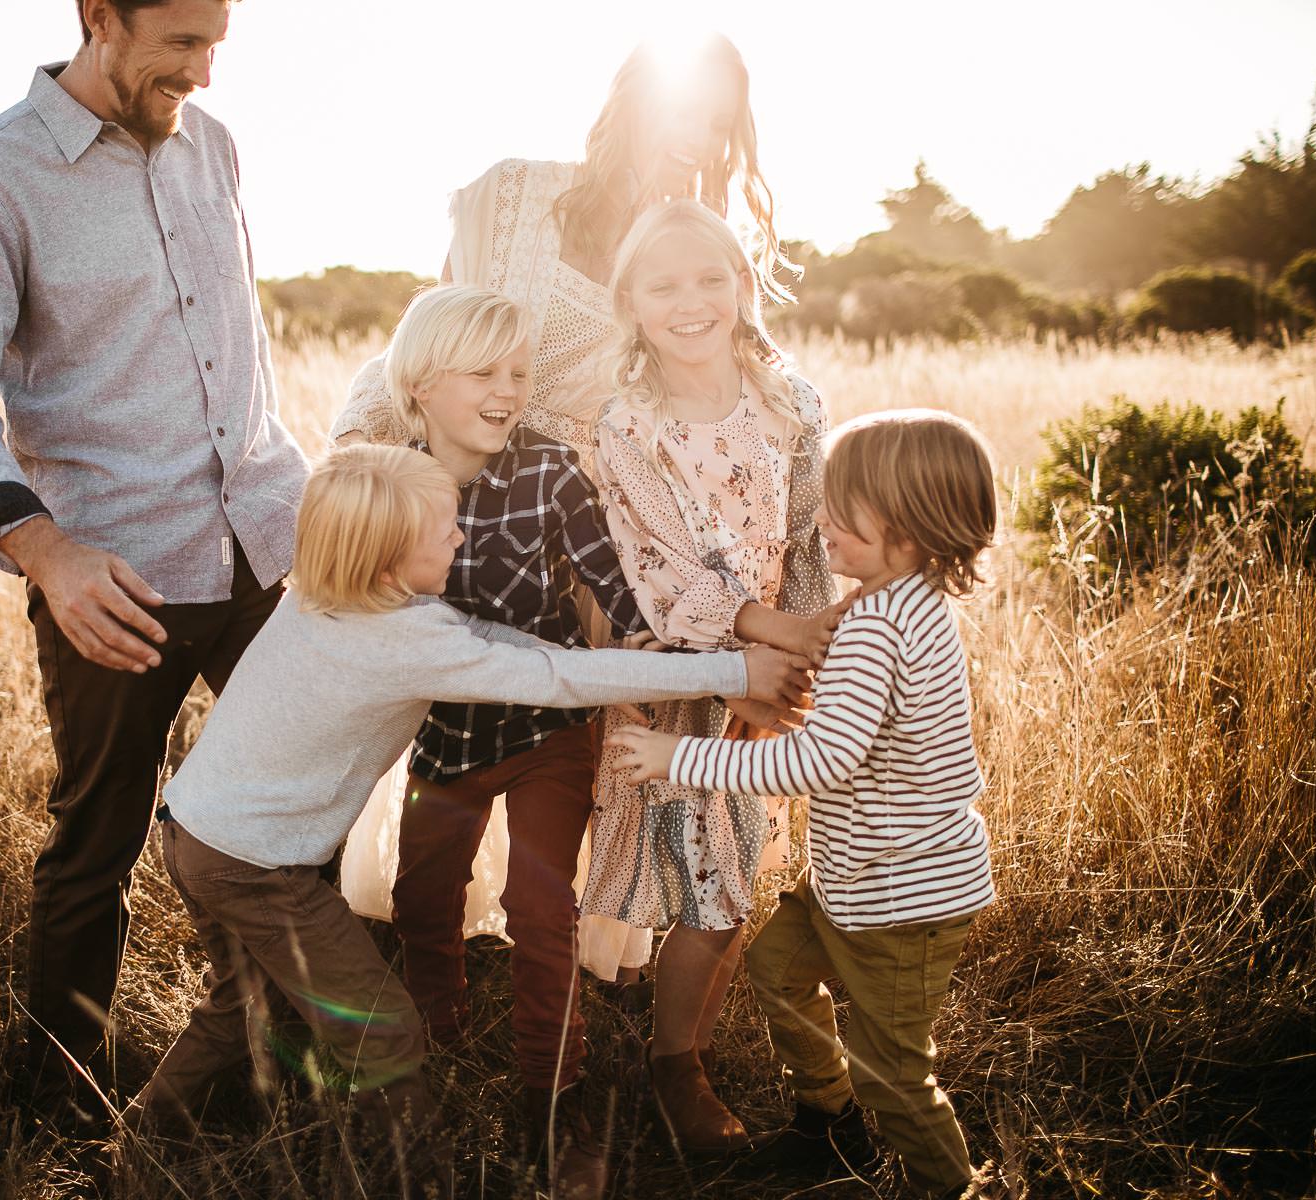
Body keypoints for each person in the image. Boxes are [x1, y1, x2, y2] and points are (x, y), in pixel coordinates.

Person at [122, 444, 813, 1193]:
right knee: (385, 1029)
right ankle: (415, 1177)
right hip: (256, 868)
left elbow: (489, 644)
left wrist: (593, 655)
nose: (461, 537)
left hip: (196, 832)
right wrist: (731, 670)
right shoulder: (400, 641)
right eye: (445, 530)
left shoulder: (329, 597)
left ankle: (138, 1136)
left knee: (240, 1004)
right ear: (389, 564)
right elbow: (548, 677)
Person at [333, 33, 834, 988]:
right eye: (686, 111)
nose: (699, 141)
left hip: (609, 525)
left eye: (720, 126)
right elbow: (443, 326)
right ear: (631, 103)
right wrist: (366, 468)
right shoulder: (516, 196)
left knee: (593, 755)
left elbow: (748, 377)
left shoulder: (688, 244)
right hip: (478, 505)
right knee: (450, 726)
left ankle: (577, 959)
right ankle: (426, 942)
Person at [0, 0, 308, 1127]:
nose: (206, 73)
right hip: (111, 578)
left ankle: (291, 1067)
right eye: (182, 43)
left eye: (218, 43)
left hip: (267, 548)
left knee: (300, 812)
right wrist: (48, 555)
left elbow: (239, 355)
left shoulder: (212, 148)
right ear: (99, 17)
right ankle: (62, 1103)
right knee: (99, 841)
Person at [609, 409, 1001, 1198]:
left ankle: (950, 1185)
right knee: (777, 965)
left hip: (902, 899)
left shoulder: (880, 627)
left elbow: (820, 759)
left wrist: (676, 756)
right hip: (861, 879)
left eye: (845, 510)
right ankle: (828, 1119)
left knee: (895, 1071)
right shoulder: (899, 603)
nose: (822, 520)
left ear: (910, 523)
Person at [368, 286, 685, 1198]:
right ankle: (442, 1041)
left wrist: (649, 651)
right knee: (424, 895)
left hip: (549, 725)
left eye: (520, 373)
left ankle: (554, 1090)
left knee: (541, 908)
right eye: (485, 373)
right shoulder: (388, 479)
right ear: (422, 385)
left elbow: (610, 580)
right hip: (447, 733)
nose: (509, 391)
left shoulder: (549, 470)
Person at [586, 198, 848, 1155]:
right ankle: (657, 1056)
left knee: (733, 865)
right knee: (671, 853)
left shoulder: (792, 400)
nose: (691, 301)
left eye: (712, 278)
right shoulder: (628, 422)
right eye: (664, 284)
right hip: (675, 659)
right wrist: (757, 647)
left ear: (744, 284)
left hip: (776, 667)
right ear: (631, 302)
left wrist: (806, 661)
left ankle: (675, 1048)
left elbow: (809, 536)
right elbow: (654, 567)